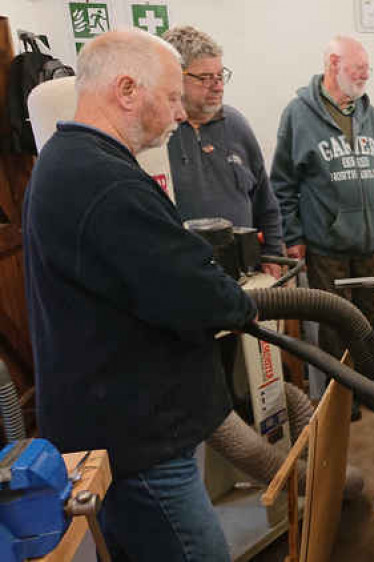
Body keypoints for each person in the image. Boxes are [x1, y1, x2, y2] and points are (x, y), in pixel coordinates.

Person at [22, 30, 257, 561]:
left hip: (117, 427)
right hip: (138, 445)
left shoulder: (70, 159)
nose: (179, 112)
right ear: (127, 89)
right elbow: (197, 296)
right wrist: (236, 300)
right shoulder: (104, 182)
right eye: (173, 97)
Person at [272, 35, 374, 362]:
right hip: (326, 247)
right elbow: (283, 183)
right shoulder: (298, 115)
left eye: (367, 69)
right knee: (334, 326)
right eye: (358, 68)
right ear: (332, 64)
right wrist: (293, 235)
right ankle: (343, 401)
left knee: (371, 321)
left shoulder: (371, 116)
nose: (365, 75)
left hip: (370, 243)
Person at [162, 25, 284, 278]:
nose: (217, 86)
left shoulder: (236, 125)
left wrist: (273, 253)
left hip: (241, 276)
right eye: (205, 78)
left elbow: (264, 199)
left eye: (220, 76)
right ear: (175, 77)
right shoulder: (157, 135)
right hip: (182, 278)